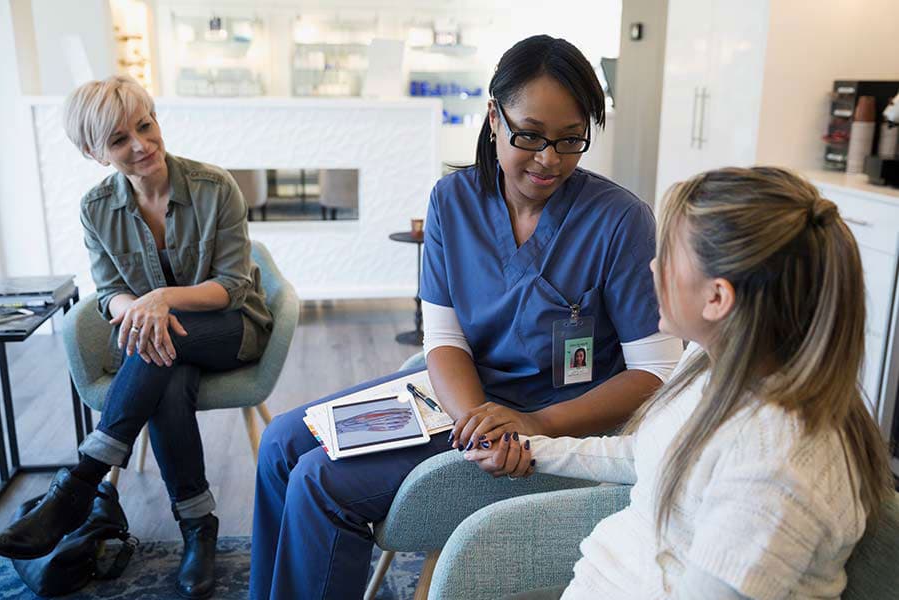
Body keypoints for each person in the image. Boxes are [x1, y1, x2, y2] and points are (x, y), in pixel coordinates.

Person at [250, 35, 682, 599]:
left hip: (554, 418)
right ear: (493, 117)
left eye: (571, 140)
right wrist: (476, 415)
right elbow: (445, 338)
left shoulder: (619, 220)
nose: (549, 159)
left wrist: (537, 425)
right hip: (462, 401)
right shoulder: (452, 200)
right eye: (528, 135)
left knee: (319, 481)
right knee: (282, 441)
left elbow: (654, 372)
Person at [464, 167, 895, 599]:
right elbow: (652, 454)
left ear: (717, 298)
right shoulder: (711, 362)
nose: (652, 266)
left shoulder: (774, 469)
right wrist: (532, 447)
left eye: (668, 256)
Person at [0, 75, 273, 599]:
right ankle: (198, 527)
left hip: (232, 329)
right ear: (93, 152)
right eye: (120, 139)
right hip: (164, 344)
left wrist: (159, 301)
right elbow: (107, 295)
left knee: (157, 343)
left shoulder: (216, 188)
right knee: (164, 371)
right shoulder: (96, 207)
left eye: (145, 126)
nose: (141, 144)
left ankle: (80, 482)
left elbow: (234, 288)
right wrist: (139, 308)